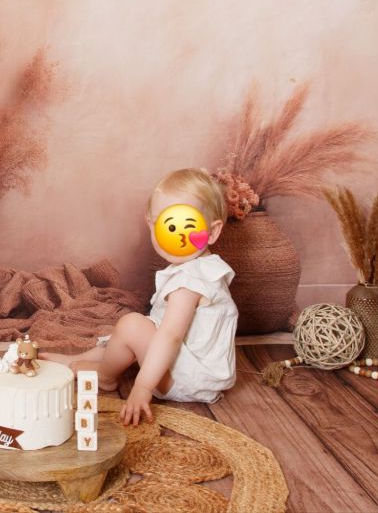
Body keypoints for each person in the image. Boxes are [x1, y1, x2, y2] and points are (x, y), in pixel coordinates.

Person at [41, 168, 238, 425]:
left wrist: (143, 387)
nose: (173, 235)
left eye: (185, 224)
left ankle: (105, 377)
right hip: (195, 373)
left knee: (132, 325)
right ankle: (76, 360)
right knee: (129, 332)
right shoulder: (203, 266)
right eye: (164, 225)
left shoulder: (189, 282)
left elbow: (170, 335)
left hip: (186, 380)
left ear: (211, 232)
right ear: (151, 224)